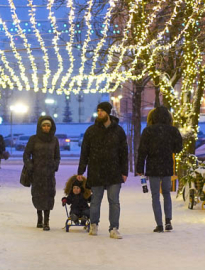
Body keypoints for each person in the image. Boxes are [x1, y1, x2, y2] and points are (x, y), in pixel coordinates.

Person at [77, 101, 128, 238]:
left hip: (114, 171)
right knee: (95, 201)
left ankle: (114, 228)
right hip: (96, 170)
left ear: (108, 113)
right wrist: (81, 171)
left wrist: (124, 171)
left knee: (114, 201)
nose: (99, 113)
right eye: (98, 110)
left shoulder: (118, 131)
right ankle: (94, 225)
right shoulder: (91, 131)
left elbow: (124, 152)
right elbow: (85, 152)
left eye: (102, 111)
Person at [136, 106, 183, 232]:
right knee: (167, 193)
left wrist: (139, 167)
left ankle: (159, 224)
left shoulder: (148, 131)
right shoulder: (173, 130)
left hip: (153, 166)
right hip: (167, 165)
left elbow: (142, 151)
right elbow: (179, 148)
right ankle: (168, 221)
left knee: (155, 195)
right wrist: (169, 149)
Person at [23, 115, 61, 231]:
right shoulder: (33, 139)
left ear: (51, 127)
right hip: (37, 172)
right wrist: (30, 166)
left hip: (49, 173)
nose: (46, 127)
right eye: (44, 125)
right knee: (38, 195)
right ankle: (39, 218)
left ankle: (46, 221)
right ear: (40, 127)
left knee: (49, 195)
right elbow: (26, 154)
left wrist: (54, 166)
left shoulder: (54, 140)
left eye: (48, 125)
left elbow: (57, 156)